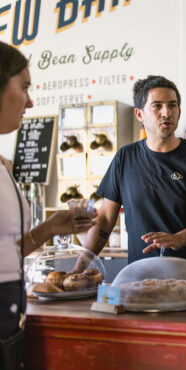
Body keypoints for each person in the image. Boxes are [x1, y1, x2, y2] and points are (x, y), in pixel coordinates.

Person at [0, 41, 95, 369]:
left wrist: (48, 230)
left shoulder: (3, 166)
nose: (30, 101)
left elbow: (5, 253)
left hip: (8, 321)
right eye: (24, 87)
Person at [81, 75, 186, 279]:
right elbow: (104, 219)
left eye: (172, 105)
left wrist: (179, 238)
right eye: (157, 106)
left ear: (179, 111)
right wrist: (80, 265)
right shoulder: (125, 157)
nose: (166, 112)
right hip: (140, 278)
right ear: (139, 114)